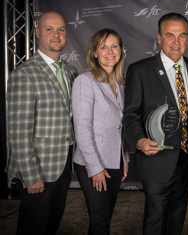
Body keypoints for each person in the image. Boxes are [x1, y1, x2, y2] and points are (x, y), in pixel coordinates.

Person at [122, 12, 188, 235]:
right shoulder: (140, 70)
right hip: (156, 158)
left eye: (182, 36)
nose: (176, 42)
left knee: (177, 215)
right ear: (159, 38)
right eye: (170, 35)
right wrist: (139, 140)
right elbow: (130, 114)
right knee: (155, 217)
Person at [7, 11, 78, 234]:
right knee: (33, 227)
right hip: (38, 169)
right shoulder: (25, 74)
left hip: (63, 164)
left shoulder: (70, 71)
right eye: (49, 29)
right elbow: (18, 132)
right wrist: (31, 176)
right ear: (37, 32)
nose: (56, 35)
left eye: (61, 30)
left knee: (51, 224)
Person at [71, 28, 130, 234]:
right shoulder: (85, 81)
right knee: (100, 219)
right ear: (94, 52)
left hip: (115, 161)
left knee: (103, 218)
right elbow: (82, 129)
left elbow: (120, 127)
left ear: (121, 51)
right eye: (103, 47)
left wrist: (124, 159)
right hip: (92, 164)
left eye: (115, 46)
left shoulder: (120, 83)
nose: (110, 51)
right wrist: (94, 168)